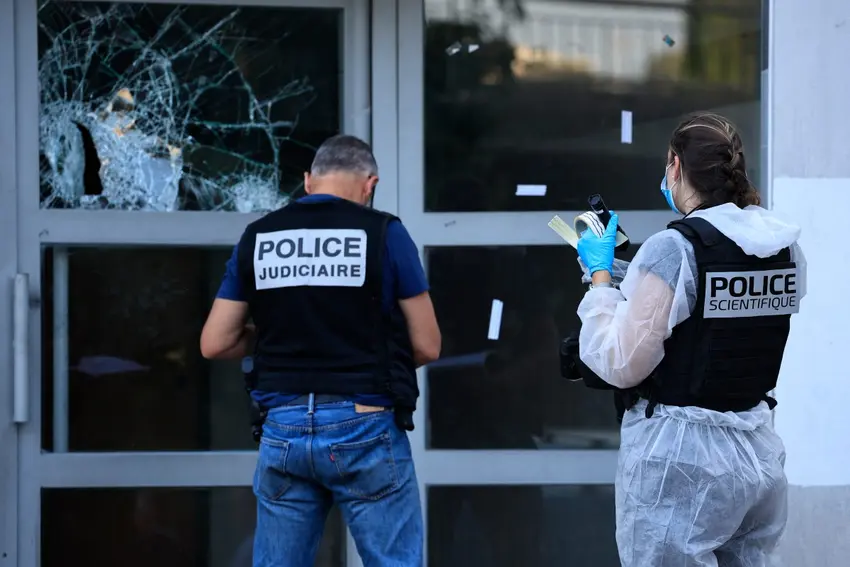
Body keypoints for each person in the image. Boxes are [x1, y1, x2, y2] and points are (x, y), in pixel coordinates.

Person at [574, 112, 805, 566]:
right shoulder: (782, 245)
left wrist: (600, 279)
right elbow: (716, 315)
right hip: (756, 454)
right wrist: (632, 274)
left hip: (681, 462)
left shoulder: (675, 247)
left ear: (676, 166)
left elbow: (622, 362)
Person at [200, 134, 441, 567]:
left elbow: (215, 342)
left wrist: (272, 336)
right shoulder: (384, 232)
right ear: (370, 184)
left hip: (283, 427)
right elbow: (427, 344)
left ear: (308, 181)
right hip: (365, 425)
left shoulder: (259, 236)